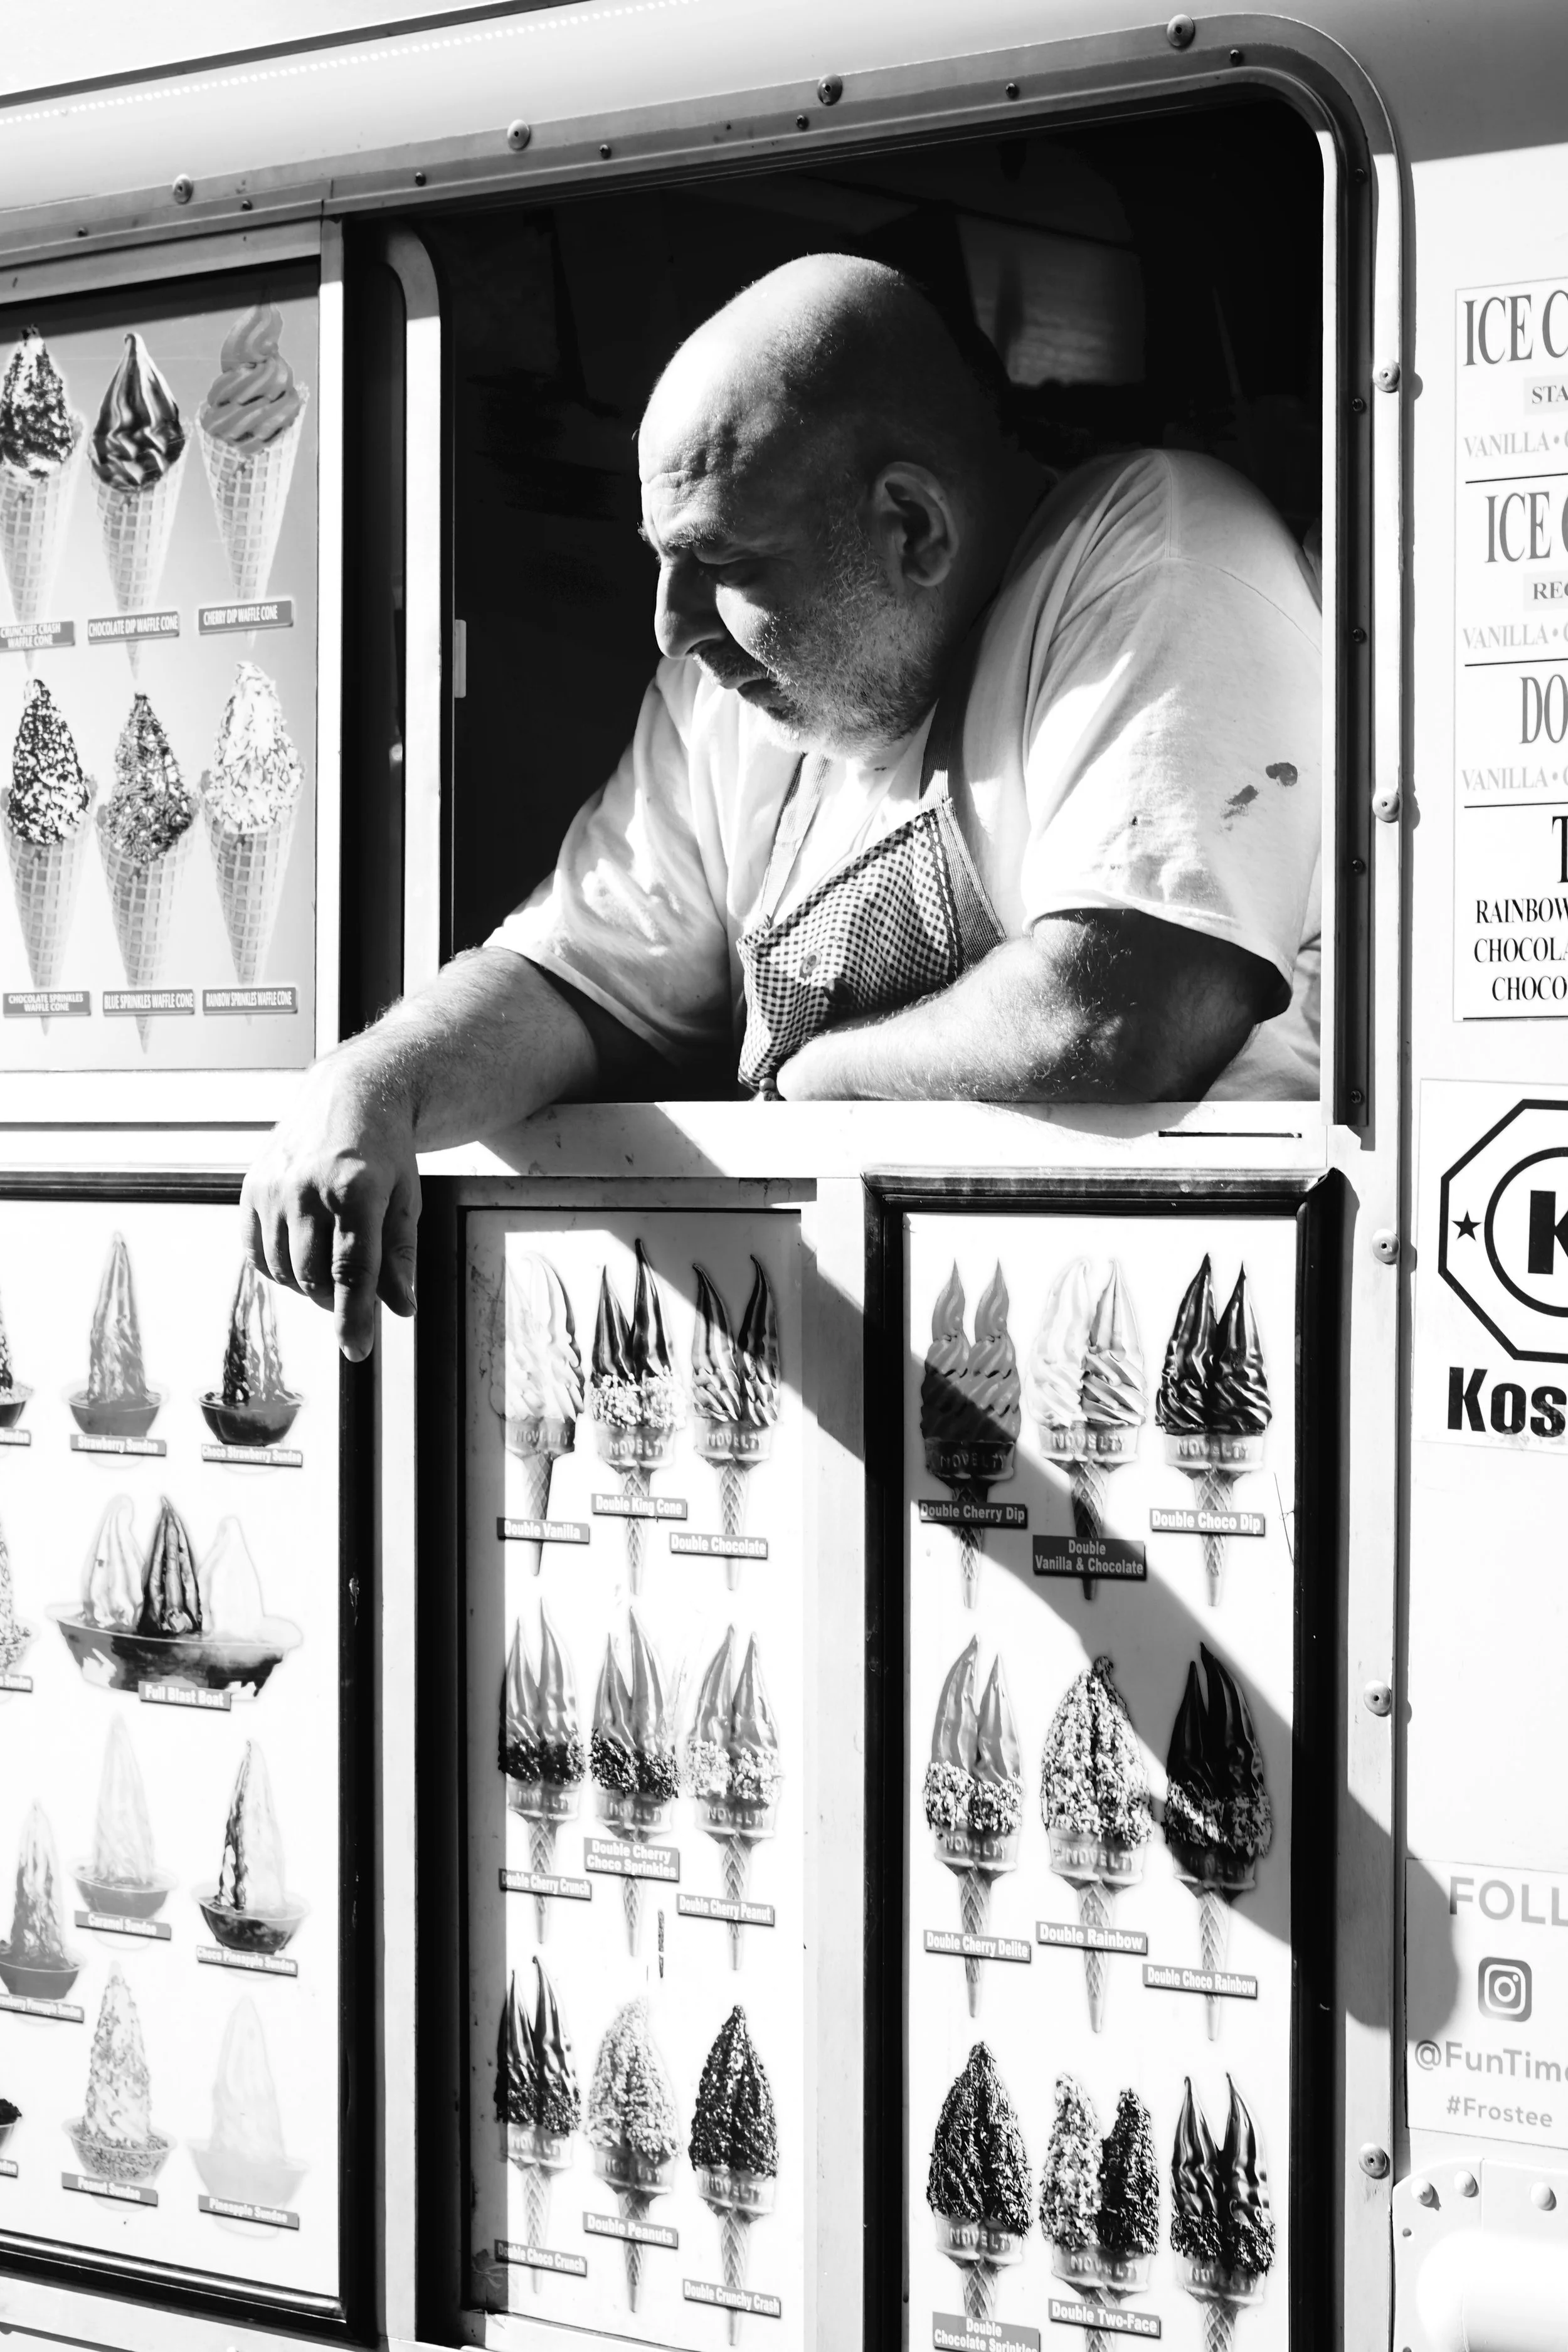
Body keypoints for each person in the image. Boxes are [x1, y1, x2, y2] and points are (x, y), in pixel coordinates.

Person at [243, 252, 1321, 1358]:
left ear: (913, 528)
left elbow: (1127, 1012)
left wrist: (818, 1075)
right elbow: (574, 983)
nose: (671, 627)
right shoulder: (732, 698)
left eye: (722, 560)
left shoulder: (1155, 553)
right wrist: (375, 1086)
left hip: (1137, 1358)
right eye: (663, 561)